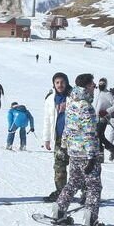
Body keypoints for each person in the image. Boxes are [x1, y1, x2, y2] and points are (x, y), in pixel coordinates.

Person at [51, 74, 105, 226]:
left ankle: (59, 211)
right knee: (94, 186)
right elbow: (89, 133)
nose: (94, 87)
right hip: (86, 153)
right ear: (86, 86)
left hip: (74, 152)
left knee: (74, 182)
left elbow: (67, 128)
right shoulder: (86, 106)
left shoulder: (71, 102)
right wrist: (91, 157)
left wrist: (65, 146)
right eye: (92, 84)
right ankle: (90, 220)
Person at [41, 73, 72, 201]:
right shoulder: (50, 99)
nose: (60, 85)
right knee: (59, 166)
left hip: (75, 138)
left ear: (67, 82)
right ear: (53, 84)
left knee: (78, 166)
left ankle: (86, 193)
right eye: (57, 82)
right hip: (59, 137)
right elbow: (47, 119)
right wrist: (47, 138)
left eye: (62, 82)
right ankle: (61, 191)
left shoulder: (74, 96)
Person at [93, 77, 114, 161]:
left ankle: (110, 150)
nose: (101, 85)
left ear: (106, 84)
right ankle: (106, 152)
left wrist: (106, 111)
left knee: (98, 135)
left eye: (103, 84)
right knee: (99, 136)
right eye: (100, 84)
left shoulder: (108, 94)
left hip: (103, 117)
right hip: (95, 118)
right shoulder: (97, 92)